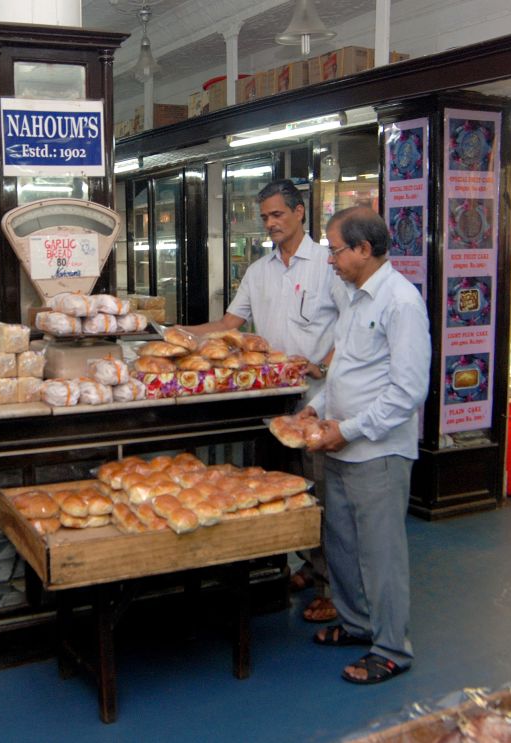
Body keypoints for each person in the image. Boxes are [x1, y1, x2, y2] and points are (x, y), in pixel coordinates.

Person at [182, 179, 340, 623]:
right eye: (265, 216)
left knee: (320, 491)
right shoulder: (259, 271)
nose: (270, 223)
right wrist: (181, 335)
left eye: (277, 215)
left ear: (299, 212)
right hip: (271, 403)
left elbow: (350, 325)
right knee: (283, 486)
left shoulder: (328, 266)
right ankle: (303, 566)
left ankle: (329, 585)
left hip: (316, 400)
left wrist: (323, 364)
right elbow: (230, 323)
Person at [301, 206, 430, 685]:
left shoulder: (401, 301)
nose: (330, 259)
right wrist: (317, 407)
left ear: (363, 249)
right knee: (343, 546)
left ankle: (392, 648)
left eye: (335, 250)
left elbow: (407, 390)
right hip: (339, 445)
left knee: (381, 555)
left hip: (377, 451)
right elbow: (346, 370)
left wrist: (349, 429)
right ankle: (356, 625)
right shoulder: (353, 297)